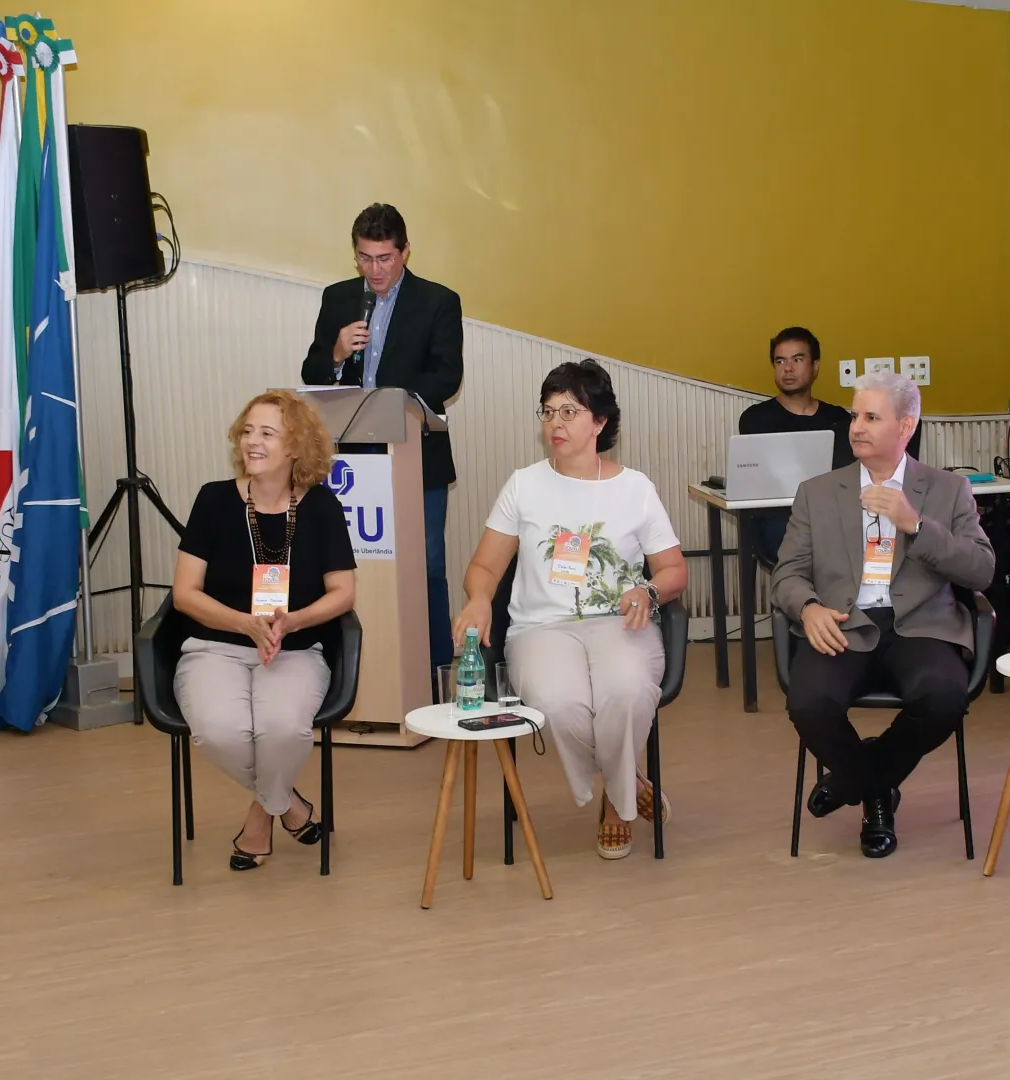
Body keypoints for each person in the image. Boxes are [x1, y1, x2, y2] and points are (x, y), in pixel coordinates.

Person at [451, 360, 687, 860]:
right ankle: (628, 782)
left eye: (569, 411)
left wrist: (647, 591)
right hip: (541, 628)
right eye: (548, 411)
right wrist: (479, 597)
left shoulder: (635, 488)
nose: (554, 423)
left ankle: (616, 806)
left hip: (620, 623)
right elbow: (485, 567)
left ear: (599, 422)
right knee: (558, 703)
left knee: (626, 692)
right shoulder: (524, 485)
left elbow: (673, 571)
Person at [773, 370, 995, 858]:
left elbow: (981, 570)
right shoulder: (817, 492)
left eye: (871, 417)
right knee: (808, 703)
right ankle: (875, 788)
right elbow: (787, 572)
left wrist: (915, 524)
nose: (856, 427)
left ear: (905, 426)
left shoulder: (948, 489)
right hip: (843, 624)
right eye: (855, 416)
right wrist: (807, 608)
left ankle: (855, 780)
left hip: (921, 627)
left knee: (943, 698)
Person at [172, 390, 357, 871]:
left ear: (295, 446)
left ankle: (261, 815)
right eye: (248, 431)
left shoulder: (321, 506)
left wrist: (292, 621)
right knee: (219, 732)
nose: (252, 441)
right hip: (214, 647)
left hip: (294, 648)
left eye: (268, 433)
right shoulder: (213, 500)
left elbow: (343, 593)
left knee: (282, 730)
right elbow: (185, 594)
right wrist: (244, 624)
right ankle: (288, 805)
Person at [300, 203, 464, 673]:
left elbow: (447, 375)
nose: (374, 270)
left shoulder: (437, 301)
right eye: (365, 258)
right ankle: (360, 667)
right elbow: (312, 372)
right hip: (351, 460)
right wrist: (336, 353)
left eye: (385, 258)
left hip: (416, 453)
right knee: (350, 565)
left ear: (405, 251)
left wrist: (392, 403)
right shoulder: (337, 298)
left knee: (427, 563)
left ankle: (434, 670)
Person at [737, 327, 854, 565]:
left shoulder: (838, 418)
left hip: (831, 513)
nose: (788, 369)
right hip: (780, 516)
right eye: (780, 361)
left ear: (815, 367)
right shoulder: (755, 418)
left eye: (797, 360)